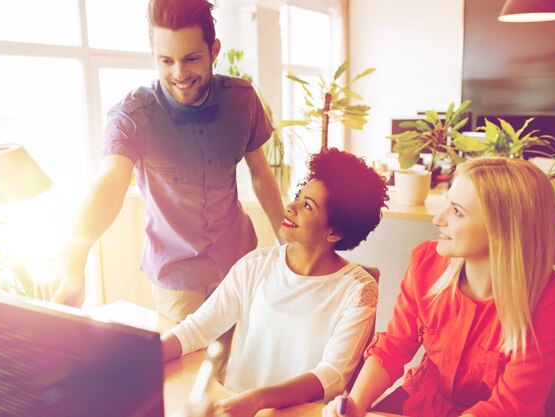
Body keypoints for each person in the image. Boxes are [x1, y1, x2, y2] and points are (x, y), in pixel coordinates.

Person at [35, 0, 284, 325]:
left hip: (239, 263)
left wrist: (287, 240)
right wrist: (74, 258)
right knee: (186, 371)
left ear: (214, 50)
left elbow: (261, 173)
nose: (179, 74)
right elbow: (109, 184)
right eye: (166, 61)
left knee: (239, 364)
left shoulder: (242, 99)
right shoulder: (133, 117)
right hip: (177, 278)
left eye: (191, 58)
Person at [323, 157, 555, 417]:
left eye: (457, 211)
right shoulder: (425, 262)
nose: (438, 219)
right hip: (421, 401)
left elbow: (514, 404)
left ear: (502, 229)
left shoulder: (552, 298)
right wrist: (356, 403)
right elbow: (394, 347)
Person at [162, 148, 389, 417]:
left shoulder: (358, 290)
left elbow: (332, 375)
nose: (290, 207)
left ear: (335, 231)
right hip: (233, 406)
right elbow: (196, 330)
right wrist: (141, 355)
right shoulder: (256, 265)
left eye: (307, 206)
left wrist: (259, 399)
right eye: (298, 197)